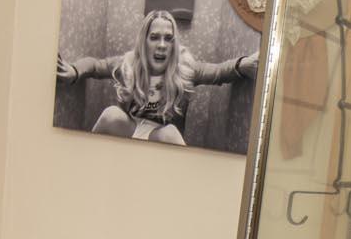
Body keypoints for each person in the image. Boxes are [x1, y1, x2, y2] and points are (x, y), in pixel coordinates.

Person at [57, 8, 255, 145]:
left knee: (170, 132)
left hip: (160, 138)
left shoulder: (185, 69)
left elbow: (219, 71)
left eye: (168, 39)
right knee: (111, 114)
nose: (161, 45)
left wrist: (243, 64)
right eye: (154, 37)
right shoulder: (128, 64)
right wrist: (74, 71)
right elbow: (95, 65)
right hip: (128, 130)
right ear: (144, 42)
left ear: (173, 45)